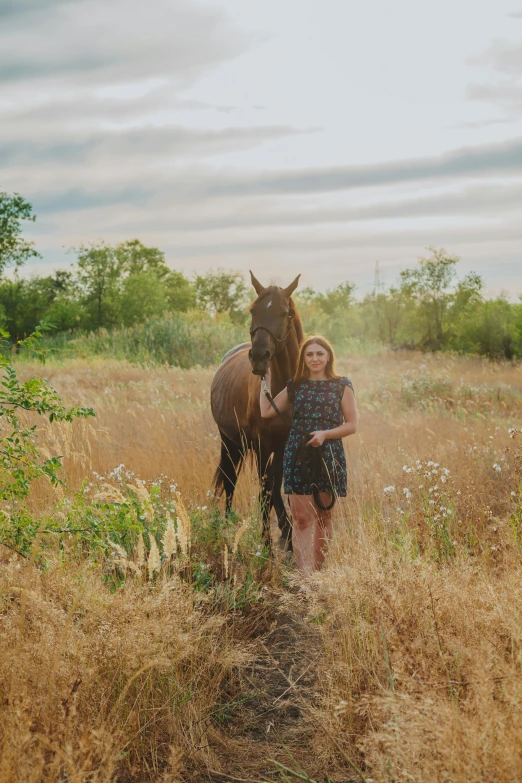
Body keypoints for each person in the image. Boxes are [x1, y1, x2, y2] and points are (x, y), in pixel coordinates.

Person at [259, 335, 357, 573]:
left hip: (329, 452)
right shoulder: (296, 384)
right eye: (310, 354)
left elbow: (352, 424)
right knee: (302, 519)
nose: (315, 359)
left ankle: (319, 573)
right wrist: (266, 379)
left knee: (324, 517)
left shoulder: (341, 385)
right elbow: (265, 411)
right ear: (303, 358)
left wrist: (325, 434)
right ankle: (305, 577)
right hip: (298, 453)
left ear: (328, 357)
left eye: (319, 354)